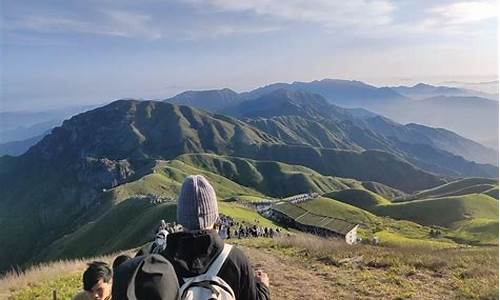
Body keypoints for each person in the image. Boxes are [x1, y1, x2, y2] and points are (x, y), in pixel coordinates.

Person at [162, 175, 270, 300]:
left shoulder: (162, 264)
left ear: (180, 217)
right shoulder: (235, 260)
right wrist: (263, 287)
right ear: (214, 216)